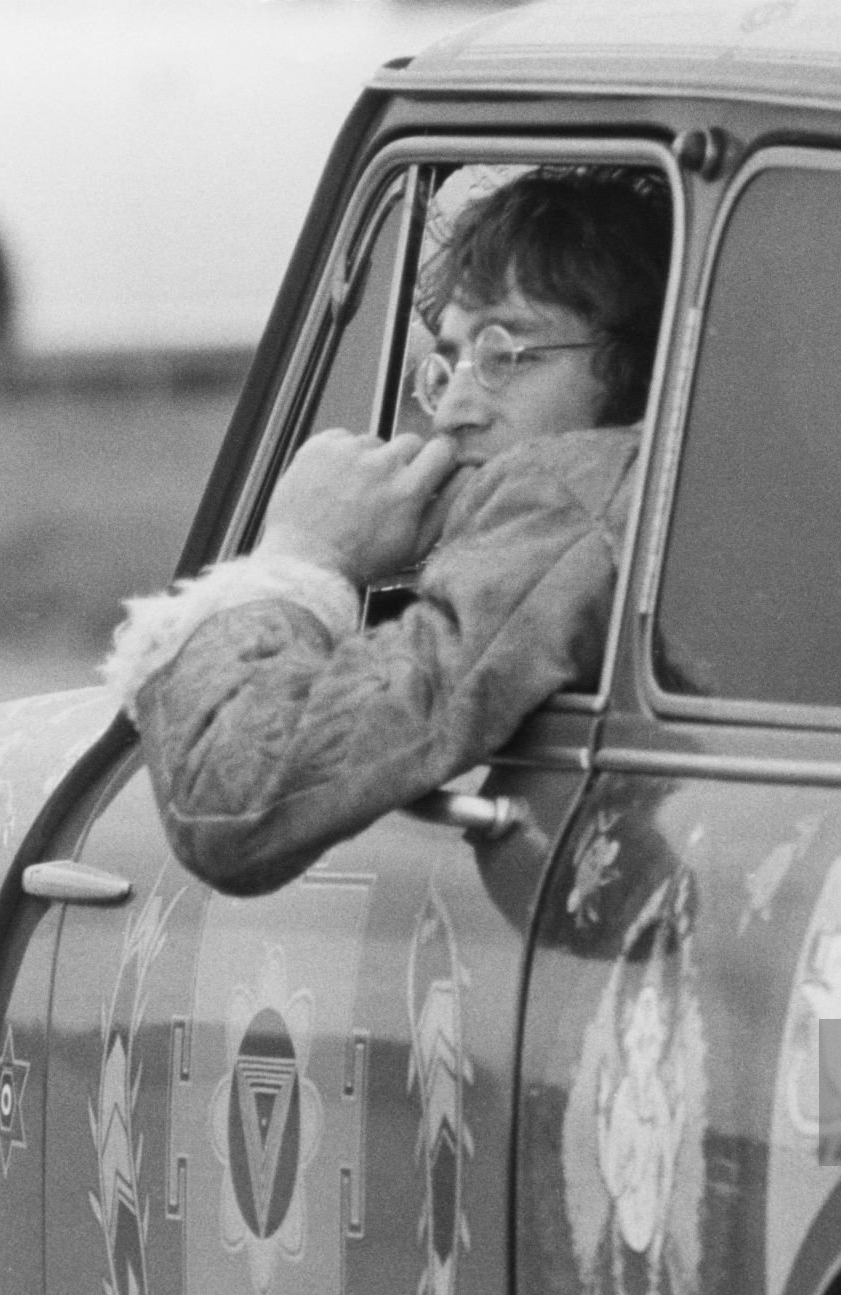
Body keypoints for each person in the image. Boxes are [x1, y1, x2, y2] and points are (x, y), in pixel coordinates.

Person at [102, 165, 673, 896]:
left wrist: (304, 556)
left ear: (645, 374)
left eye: (505, 356)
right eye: (448, 365)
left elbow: (234, 800)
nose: (454, 409)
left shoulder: (571, 493)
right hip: (838, 991)